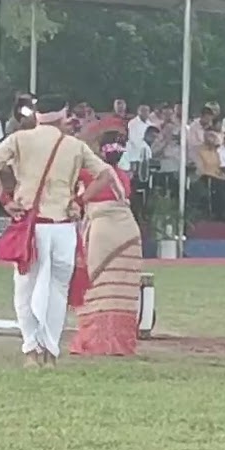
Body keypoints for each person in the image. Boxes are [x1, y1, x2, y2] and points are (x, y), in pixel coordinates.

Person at [0, 94, 113, 367]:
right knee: (58, 291)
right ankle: (50, 352)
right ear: (63, 115)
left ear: (37, 115)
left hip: (30, 223)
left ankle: (31, 350)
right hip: (63, 224)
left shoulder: (19, 139)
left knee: (25, 289)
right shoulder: (74, 145)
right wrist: (80, 201)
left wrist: (4, 199)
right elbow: (105, 175)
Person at [69, 135, 142, 357]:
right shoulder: (123, 176)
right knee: (121, 287)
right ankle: (120, 341)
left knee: (96, 285)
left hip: (102, 229)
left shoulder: (90, 173)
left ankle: (96, 341)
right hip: (128, 231)